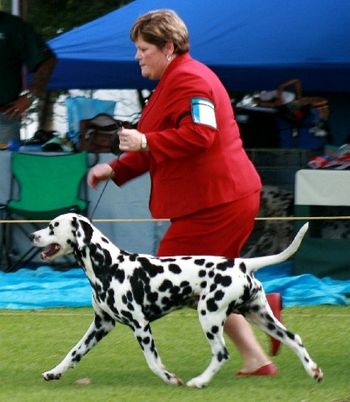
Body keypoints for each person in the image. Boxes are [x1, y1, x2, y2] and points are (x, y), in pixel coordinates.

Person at [87, 9, 280, 376]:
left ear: (169, 47)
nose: (137, 56)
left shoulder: (190, 80)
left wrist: (143, 139)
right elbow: (155, 147)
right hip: (219, 199)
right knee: (202, 285)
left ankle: (263, 305)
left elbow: (200, 135)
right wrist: (114, 167)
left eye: (144, 48)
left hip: (219, 201)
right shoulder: (174, 80)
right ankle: (257, 358)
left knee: (175, 282)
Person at [0, 11, 57, 146]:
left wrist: (31, 95)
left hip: (4, 118)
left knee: (3, 166)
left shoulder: (13, 26)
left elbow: (47, 60)